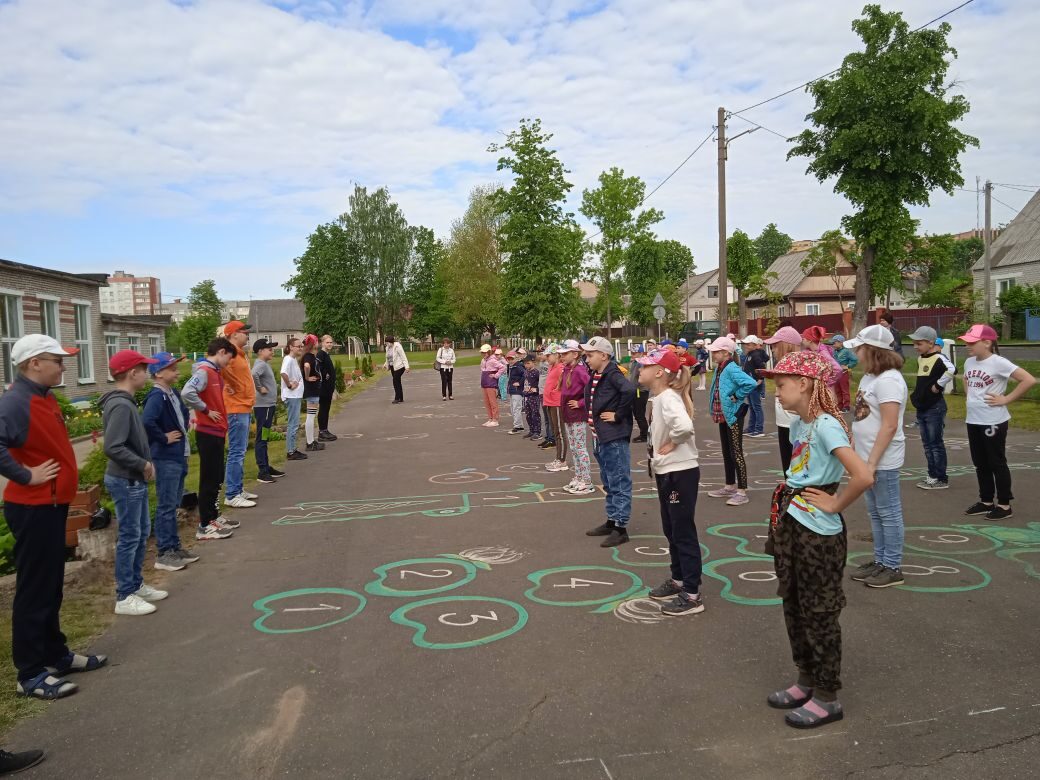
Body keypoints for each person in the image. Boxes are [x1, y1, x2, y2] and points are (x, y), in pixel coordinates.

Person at [757, 351, 873, 730]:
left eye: (783, 383)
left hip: (817, 535)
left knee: (820, 611)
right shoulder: (799, 424)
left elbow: (862, 475)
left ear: (805, 384)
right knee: (793, 604)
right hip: (792, 524)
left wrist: (836, 502)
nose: (776, 391)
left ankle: (827, 695)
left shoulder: (827, 425)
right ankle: (805, 678)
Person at [1, 335, 106, 700]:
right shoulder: (16, 401)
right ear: (33, 363)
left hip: (51, 504)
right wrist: (26, 475)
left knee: (51, 585)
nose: (63, 367)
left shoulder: (42, 398)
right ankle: (29, 672)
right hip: (32, 506)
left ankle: (56, 654)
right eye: (56, 361)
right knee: (35, 590)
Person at [102, 349, 169, 616]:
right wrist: (142, 464)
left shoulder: (125, 402)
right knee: (130, 535)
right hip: (125, 479)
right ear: (133, 373)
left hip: (133, 479)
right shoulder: (120, 404)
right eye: (144, 369)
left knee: (141, 532)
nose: (147, 373)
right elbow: (113, 446)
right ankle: (124, 595)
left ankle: (135, 584)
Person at [638, 348, 704, 616]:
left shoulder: (668, 398)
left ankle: (692, 595)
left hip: (680, 472)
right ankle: (678, 579)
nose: (639, 370)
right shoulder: (660, 397)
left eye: (644, 366)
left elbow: (685, 427)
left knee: (682, 531)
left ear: (659, 372)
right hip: (668, 472)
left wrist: (672, 442)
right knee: (671, 528)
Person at [843, 325, 908, 589]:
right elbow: (863, 416)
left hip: (882, 460)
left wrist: (872, 462)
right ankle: (880, 561)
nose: (856, 354)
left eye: (859, 349)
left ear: (872, 351)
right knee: (875, 513)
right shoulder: (871, 377)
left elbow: (890, 425)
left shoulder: (890, 380)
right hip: (866, 457)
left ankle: (892, 566)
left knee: (888, 512)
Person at [959, 324, 1037, 520]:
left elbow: (1028, 380)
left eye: (972, 342)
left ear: (987, 342)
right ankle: (986, 501)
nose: (967, 345)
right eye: (966, 341)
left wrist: (1006, 399)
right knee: (980, 463)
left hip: (993, 421)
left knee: (996, 462)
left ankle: (1004, 505)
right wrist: (971, 398)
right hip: (974, 420)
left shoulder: (998, 362)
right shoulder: (969, 362)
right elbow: (966, 379)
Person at [142, 351, 200, 573]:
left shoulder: (172, 392)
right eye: (171, 368)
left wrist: (183, 426)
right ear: (158, 373)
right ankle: (164, 552)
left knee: (174, 504)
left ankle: (174, 547)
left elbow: (184, 413)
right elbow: (147, 421)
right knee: (166, 506)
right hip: (166, 457)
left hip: (178, 455)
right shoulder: (157, 397)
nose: (176, 371)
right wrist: (164, 437)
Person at [581, 336, 636, 547]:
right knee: (608, 480)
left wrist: (618, 415)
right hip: (600, 436)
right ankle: (612, 520)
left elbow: (630, 390)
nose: (587, 359)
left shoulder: (612, 373)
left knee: (619, 480)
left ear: (604, 356)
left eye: (590, 355)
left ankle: (621, 527)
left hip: (613, 437)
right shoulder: (597, 374)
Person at [181, 337, 237, 541]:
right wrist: (205, 410)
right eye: (228, 359)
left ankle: (213, 516)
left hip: (217, 430)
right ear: (221, 352)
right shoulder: (204, 371)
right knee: (209, 478)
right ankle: (204, 524)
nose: (228, 364)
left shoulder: (215, 372)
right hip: (208, 431)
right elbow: (187, 392)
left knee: (216, 475)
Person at [706, 337, 757, 506]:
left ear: (726, 353)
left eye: (716, 352)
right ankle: (729, 485)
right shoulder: (719, 368)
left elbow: (750, 383)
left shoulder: (731, 368)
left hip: (733, 415)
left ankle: (742, 491)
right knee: (726, 452)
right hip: (723, 415)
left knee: (736, 452)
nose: (713, 354)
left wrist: (736, 396)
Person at [908, 326, 954, 490]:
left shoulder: (939, 358)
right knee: (927, 444)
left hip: (935, 407)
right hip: (922, 406)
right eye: (914, 343)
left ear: (931, 342)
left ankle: (941, 477)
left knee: (935, 443)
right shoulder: (921, 358)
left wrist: (938, 385)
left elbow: (952, 369)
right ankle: (932, 475)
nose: (915, 347)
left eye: (919, 344)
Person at [219, 320, 258, 510]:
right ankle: (232, 494)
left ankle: (238, 488)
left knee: (240, 451)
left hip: (244, 406)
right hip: (235, 408)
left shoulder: (239, 354)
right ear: (234, 334)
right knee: (236, 451)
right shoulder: (229, 353)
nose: (247, 334)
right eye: (244, 331)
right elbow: (220, 369)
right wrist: (233, 385)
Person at [765, 327, 803, 472]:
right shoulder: (781, 364)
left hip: (796, 422)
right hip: (783, 421)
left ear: (786, 345)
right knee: (787, 469)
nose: (772, 350)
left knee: (796, 469)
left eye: (775, 345)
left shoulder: (800, 365)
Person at [559, 340, 594, 495]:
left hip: (577, 415)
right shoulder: (566, 369)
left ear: (575, 354)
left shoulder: (580, 370)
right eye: (561, 354)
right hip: (568, 414)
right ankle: (578, 476)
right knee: (573, 447)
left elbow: (591, 389)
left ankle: (587, 481)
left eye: (565, 354)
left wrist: (580, 403)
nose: (562, 357)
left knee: (580, 448)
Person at [251, 338, 285, 484]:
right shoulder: (260, 365)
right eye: (269, 349)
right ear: (260, 351)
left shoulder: (264, 364)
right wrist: (260, 388)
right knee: (262, 438)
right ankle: (262, 471)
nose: (272, 351)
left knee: (265, 437)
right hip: (263, 407)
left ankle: (266, 466)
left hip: (268, 406)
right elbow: (253, 375)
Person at [542, 345, 569, 472]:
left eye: (548, 355)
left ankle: (562, 460)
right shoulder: (552, 367)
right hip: (550, 402)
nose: (546, 358)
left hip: (557, 403)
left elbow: (565, 384)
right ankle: (558, 458)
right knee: (555, 431)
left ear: (556, 355)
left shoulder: (561, 368)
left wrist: (555, 390)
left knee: (560, 433)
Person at [280, 337, 306, 461]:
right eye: (298, 346)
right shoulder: (288, 359)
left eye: (301, 346)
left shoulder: (293, 360)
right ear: (291, 347)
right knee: (293, 424)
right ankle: (291, 451)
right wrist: (289, 385)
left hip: (296, 395)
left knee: (295, 423)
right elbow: (283, 373)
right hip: (292, 396)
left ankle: (293, 449)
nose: (300, 348)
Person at [740, 335, 768, 437]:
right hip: (749, 384)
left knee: (756, 407)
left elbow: (762, 367)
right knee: (752, 407)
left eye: (748, 344)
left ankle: (759, 429)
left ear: (754, 345)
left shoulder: (755, 354)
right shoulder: (750, 354)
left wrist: (760, 380)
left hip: (754, 384)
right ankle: (751, 427)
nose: (746, 346)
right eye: (746, 344)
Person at [301, 335, 325, 452]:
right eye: (316, 341)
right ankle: (310, 442)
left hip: (313, 389)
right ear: (313, 344)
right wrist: (307, 377)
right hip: (312, 389)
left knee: (311, 415)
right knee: (310, 416)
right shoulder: (308, 356)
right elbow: (306, 366)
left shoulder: (309, 356)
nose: (317, 343)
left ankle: (311, 441)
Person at [478, 344, 507, 427]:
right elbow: (482, 370)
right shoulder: (483, 360)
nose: (483, 354)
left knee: (492, 402)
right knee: (487, 402)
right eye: (482, 352)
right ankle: (490, 418)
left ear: (489, 352)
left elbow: (503, 367)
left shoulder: (493, 360)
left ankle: (495, 419)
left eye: (485, 352)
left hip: (491, 383)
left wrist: (496, 375)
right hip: (484, 382)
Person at [828, 334, 857, 412]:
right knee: (837, 390)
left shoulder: (846, 351)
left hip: (843, 373)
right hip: (835, 374)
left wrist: (848, 366)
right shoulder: (834, 352)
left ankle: (846, 406)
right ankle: (839, 406)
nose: (833, 344)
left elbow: (855, 360)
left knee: (844, 390)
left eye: (835, 343)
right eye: (833, 343)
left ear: (841, 342)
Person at [317, 335, 338, 441]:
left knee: (326, 409)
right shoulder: (321, 354)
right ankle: (322, 431)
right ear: (322, 343)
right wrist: (326, 374)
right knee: (323, 409)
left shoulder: (326, 354)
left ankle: (325, 429)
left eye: (331, 342)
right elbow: (319, 367)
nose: (329, 344)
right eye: (327, 342)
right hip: (324, 388)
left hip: (328, 387)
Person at [630, 344, 649, 443]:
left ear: (641, 353)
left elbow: (641, 377)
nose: (632, 355)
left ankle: (645, 435)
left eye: (635, 353)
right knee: (637, 413)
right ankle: (644, 433)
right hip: (636, 390)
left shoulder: (641, 363)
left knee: (639, 413)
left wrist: (634, 386)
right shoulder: (635, 362)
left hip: (640, 391)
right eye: (632, 353)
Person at [521, 354, 543, 440]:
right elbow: (525, 382)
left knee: (535, 414)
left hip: (534, 396)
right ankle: (532, 430)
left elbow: (540, 384)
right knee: (528, 414)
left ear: (533, 362)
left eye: (528, 363)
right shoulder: (526, 372)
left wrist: (536, 389)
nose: (526, 365)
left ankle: (537, 432)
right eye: (525, 364)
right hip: (527, 396)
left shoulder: (536, 372)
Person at [384, 336, 410, 403]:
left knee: (395, 381)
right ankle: (401, 398)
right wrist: (385, 364)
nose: (386, 344)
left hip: (400, 366)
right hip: (393, 366)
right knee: (397, 381)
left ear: (390, 342)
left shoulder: (397, 346)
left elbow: (403, 356)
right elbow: (388, 358)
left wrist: (407, 366)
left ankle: (397, 398)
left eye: (387, 342)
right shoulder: (387, 348)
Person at [505, 351, 526, 434]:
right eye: (508, 359)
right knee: (513, 409)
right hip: (512, 390)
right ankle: (519, 426)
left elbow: (525, 375)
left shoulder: (518, 366)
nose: (510, 360)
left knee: (516, 408)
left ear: (516, 358)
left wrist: (520, 383)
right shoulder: (510, 367)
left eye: (511, 359)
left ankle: (517, 426)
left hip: (517, 390)